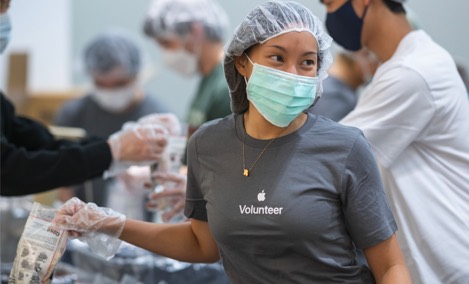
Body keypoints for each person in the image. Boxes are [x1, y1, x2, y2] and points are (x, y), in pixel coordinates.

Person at [53, 2, 412, 283]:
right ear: (243, 63)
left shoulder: (345, 148)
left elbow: (390, 266)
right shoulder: (208, 144)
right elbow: (201, 244)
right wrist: (110, 223)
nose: (293, 75)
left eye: (307, 63)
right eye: (277, 58)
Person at [321, 0, 469, 282]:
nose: (329, 14)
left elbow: (329, 154)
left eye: (330, 3)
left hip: (449, 268)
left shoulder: (413, 73)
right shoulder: (416, 61)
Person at [0, 0, 168, 197]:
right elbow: (8, 171)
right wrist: (112, 151)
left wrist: (116, 148)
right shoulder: (75, 111)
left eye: (7, 8)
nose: (6, 16)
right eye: (2, 9)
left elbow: (37, 143)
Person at [54, 30, 171, 208]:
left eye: (119, 84)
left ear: (138, 74)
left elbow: (176, 181)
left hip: (145, 227)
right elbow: (61, 185)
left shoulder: (160, 119)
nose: (110, 92)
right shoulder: (73, 115)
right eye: (101, 84)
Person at [143, 0, 232, 135]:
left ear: (195, 32)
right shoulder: (208, 81)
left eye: (167, 43)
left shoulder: (227, 88)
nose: (165, 54)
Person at [309, 48, 379, 121]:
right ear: (363, 54)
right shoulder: (335, 97)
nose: (378, 67)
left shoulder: (331, 89)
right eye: (376, 60)